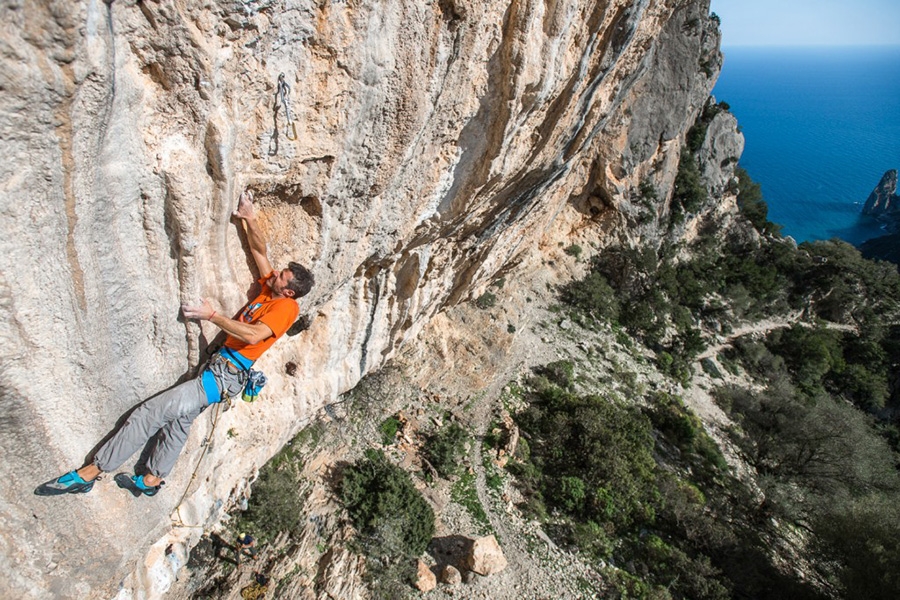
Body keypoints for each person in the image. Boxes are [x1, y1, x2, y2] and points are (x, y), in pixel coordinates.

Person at [35, 190, 314, 497]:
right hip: (219, 369)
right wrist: (250, 218)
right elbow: (260, 252)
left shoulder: (286, 308)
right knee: (180, 422)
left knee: (150, 413)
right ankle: (152, 480)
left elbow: (253, 335)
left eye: (281, 277)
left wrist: (213, 316)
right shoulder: (271, 290)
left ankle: (91, 472)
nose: (275, 275)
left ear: (288, 292)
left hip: (223, 377)